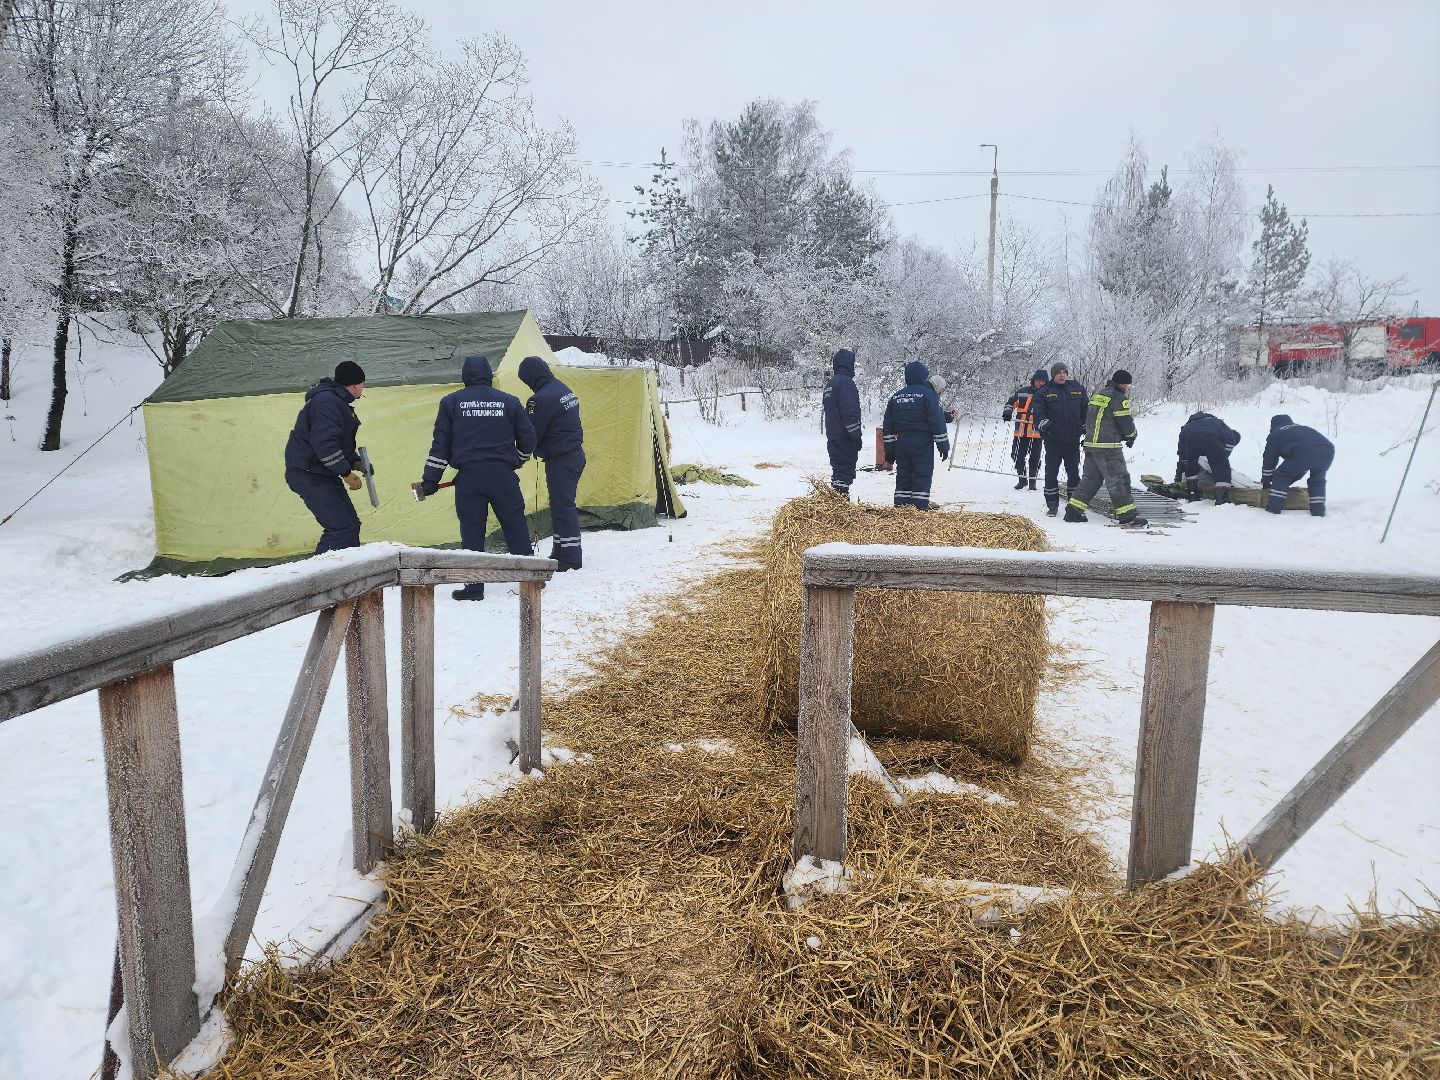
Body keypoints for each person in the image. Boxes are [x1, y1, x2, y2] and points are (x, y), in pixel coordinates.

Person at [419, 355, 536, 600]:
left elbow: (441, 445)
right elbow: (528, 437)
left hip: (469, 478)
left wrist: (430, 479)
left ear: (464, 377)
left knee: (472, 530)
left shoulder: (450, 403)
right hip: (503, 475)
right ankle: (531, 580)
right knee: (515, 525)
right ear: (489, 375)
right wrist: (518, 459)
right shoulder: (509, 402)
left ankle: (473, 588)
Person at [284, 360, 371, 554]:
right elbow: (324, 445)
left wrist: (354, 461)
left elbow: (338, 442)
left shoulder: (337, 402)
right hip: (308, 473)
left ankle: (347, 575)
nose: (363, 388)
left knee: (350, 526)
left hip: (321, 472)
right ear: (355, 385)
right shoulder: (328, 403)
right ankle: (319, 581)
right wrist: (347, 473)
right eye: (363, 384)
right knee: (340, 529)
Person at [518, 355, 585, 571]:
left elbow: (531, 434)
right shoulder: (562, 388)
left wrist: (516, 456)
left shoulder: (540, 399)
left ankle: (571, 558)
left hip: (561, 460)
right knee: (560, 505)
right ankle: (560, 551)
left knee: (563, 507)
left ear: (530, 378)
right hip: (574, 455)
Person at [1065, 368, 1148, 528]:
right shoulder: (1118, 398)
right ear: (1123, 384)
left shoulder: (1099, 395)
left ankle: (1073, 511)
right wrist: (1131, 436)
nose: (1127, 388)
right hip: (1108, 448)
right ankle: (1128, 516)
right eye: (1127, 385)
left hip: (1091, 446)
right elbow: (1125, 422)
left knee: (1090, 480)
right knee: (1119, 480)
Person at [882, 360, 950, 509]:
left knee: (904, 474)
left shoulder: (896, 397)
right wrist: (943, 446)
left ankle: (901, 506)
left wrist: (889, 454)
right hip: (922, 442)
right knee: (922, 473)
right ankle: (919, 508)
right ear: (922, 376)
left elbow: (887, 427)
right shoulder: (928, 395)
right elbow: (937, 422)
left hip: (902, 443)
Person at [1029, 362, 1087, 518]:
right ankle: (1052, 505)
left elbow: (1085, 411)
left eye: (1064, 372)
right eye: (1059, 372)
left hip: (1072, 440)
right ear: (1053, 375)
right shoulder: (1044, 392)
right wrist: (1043, 424)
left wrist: (1085, 426)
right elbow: (1038, 414)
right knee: (1051, 473)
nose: (1062, 375)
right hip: (1053, 440)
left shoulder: (1077, 389)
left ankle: (1074, 506)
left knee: (1073, 473)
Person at [1261, 414, 1334, 517]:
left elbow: (1269, 460)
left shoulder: (1275, 434)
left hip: (1305, 451)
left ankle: (1274, 508)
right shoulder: (1299, 428)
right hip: (1327, 449)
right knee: (1317, 480)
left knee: (1281, 475)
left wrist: (1266, 481)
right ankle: (1318, 510)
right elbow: (1299, 467)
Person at [821, 348, 863, 497]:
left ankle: (837, 505)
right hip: (845, 438)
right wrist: (856, 435)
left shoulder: (830, 384)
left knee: (838, 473)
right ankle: (840, 507)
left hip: (833, 437)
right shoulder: (846, 384)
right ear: (848, 364)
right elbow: (849, 412)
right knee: (844, 474)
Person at [1176, 412, 1243, 505]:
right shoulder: (1218, 423)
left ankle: (1193, 494)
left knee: (1191, 467)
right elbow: (1230, 441)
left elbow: (1182, 451)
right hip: (1212, 439)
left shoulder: (1187, 426)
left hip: (1191, 439)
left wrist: (1181, 471)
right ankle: (1221, 500)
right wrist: (1219, 459)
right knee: (1222, 469)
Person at [1002, 368, 1049, 491]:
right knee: (1016, 455)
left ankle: (1032, 482)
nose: (1041, 383)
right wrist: (1007, 411)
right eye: (1038, 380)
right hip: (1021, 431)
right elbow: (1010, 402)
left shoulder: (1048, 394)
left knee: (1034, 459)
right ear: (1033, 380)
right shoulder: (1022, 392)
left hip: (1037, 433)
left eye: (1043, 381)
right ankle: (1022, 480)